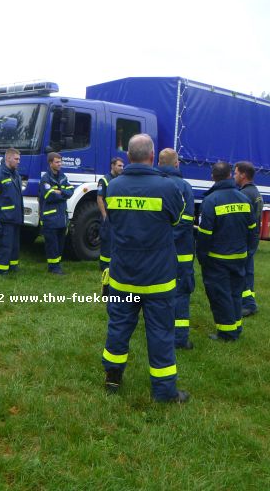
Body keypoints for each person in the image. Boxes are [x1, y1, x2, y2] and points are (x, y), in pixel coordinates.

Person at [101, 134, 189, 403]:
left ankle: (112, 378)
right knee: (161, 334)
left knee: (118, 327)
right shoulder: (168, 188)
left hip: (123, 274)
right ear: (152, 157)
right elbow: (176, 221)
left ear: (128, 157)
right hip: (158, 278)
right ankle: (164, 392)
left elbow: (113, 221)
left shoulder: (113, 187)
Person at [197, 161, 258, 342]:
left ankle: (227, 333)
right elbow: (253, 231)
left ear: (212, 177)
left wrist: (202, 257)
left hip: (217, 259)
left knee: (220, 296)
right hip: (239, 258)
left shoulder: (210, 201)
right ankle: (236, 327)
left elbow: (204, 235)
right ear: (230, 175)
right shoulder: (244, 199)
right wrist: (248, 252)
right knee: (235, 294)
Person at [157, 148, 196, 350]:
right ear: (176, 163)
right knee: (181, 293)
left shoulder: (152, 185)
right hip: (180, 253)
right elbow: (187, 220)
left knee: (158, 293)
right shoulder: (184, 187)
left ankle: (159, 331)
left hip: (156, 253)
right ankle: (180, 339)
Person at [0, 147, 24, 275]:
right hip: (4, 218)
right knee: (4, 246)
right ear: (8, 158)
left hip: (15, 217)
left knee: (14, 246)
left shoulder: (16, 174)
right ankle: (1, 271)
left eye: (19, 159)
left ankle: (13, 267)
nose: (18, 161)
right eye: (16, 159)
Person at [234, 161, 263, 317]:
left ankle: (249, 305)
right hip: (253, 238)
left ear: (243, 175)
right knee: (248, 271)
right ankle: (249, 301)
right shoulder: (255, 192)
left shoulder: (244, 195)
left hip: (245, 239)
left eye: (236, 172)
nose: (234, 175)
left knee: (243, 272)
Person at [39, 152, 74, 275]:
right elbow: (49, 196)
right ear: (50, 163)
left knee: (60, 244)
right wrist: (62, 194)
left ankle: (57, 265)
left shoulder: (63, 176)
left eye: (60, 162)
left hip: (61, 217)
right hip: (50, 217)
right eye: (57, 162)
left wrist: (60, 192)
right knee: (52, 244)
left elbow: (71, 191)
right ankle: (53, 268)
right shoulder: (45, 179)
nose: (60, 164)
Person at [97, 157, 124, 272]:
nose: (122, 168)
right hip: (108, 215)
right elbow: (99, 198)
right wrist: (104, 215)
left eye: (122, 166)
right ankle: (104, 265)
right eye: (119, 166)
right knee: (107, 241)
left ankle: (114, 263)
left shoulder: (122, 180)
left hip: (118, 216)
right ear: (112, 166)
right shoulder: (104, 180)